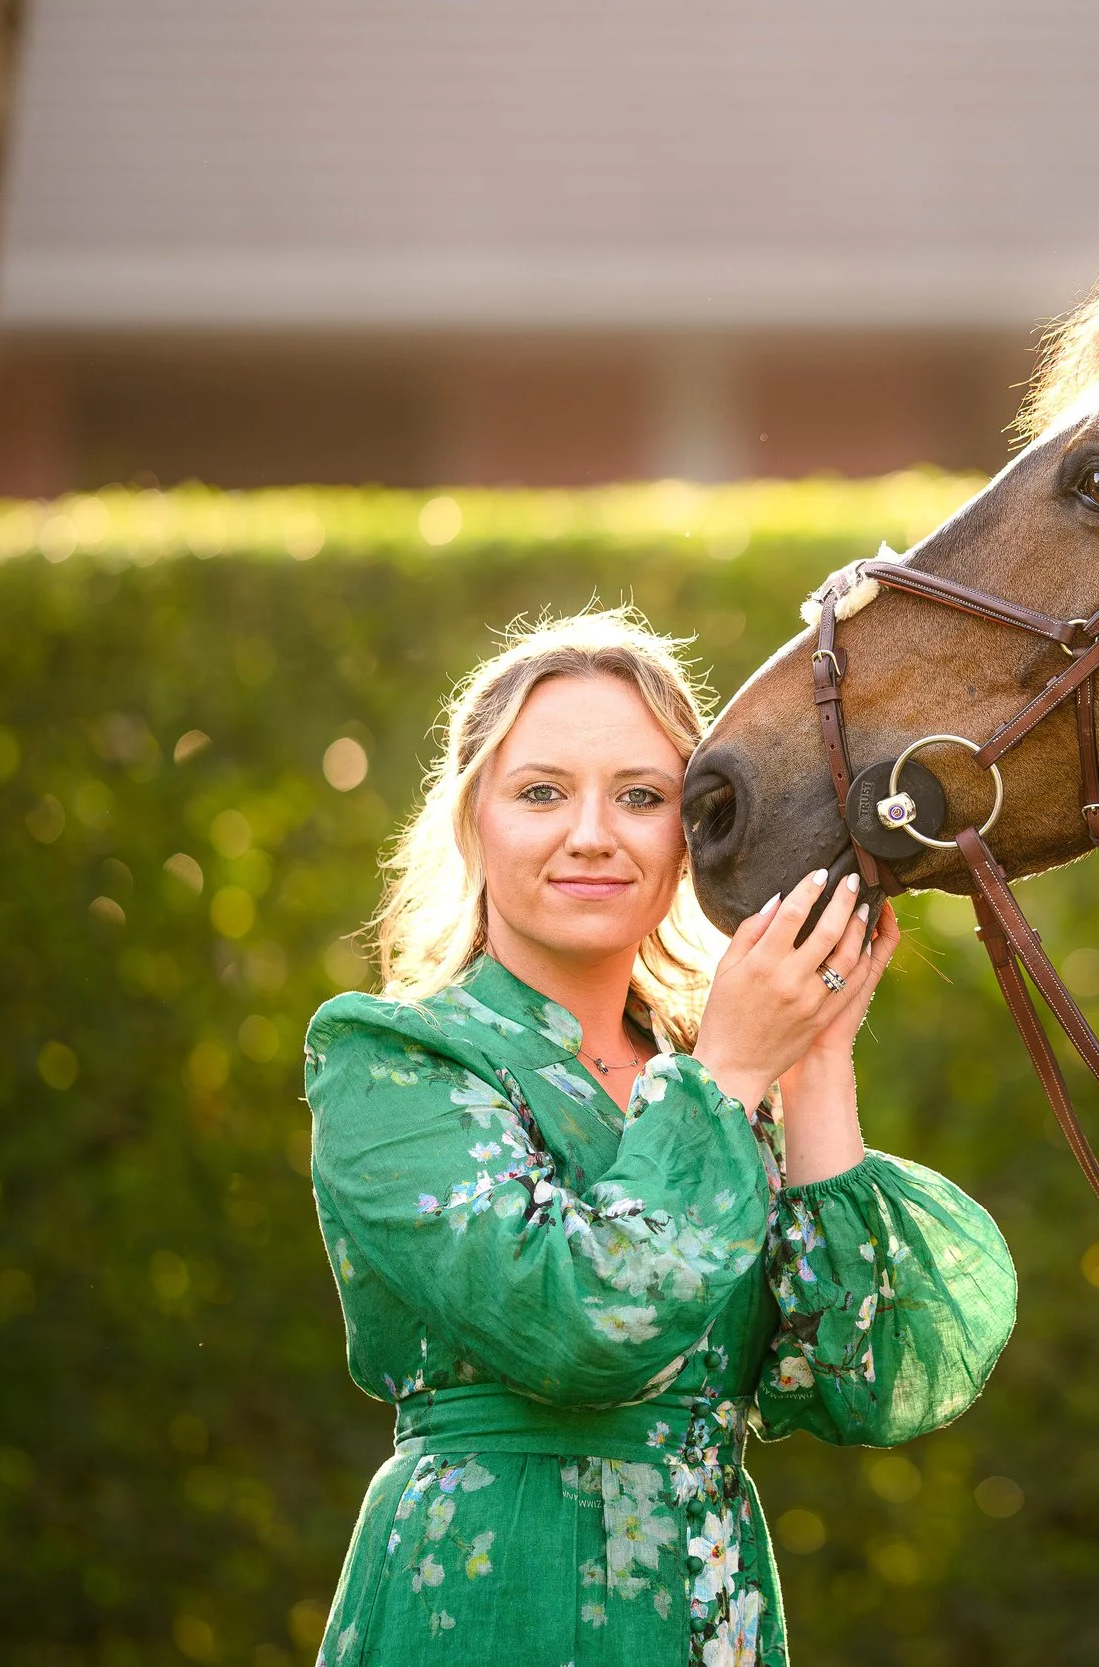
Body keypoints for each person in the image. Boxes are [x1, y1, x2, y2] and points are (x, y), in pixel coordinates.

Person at [302, 609, 1016, 1666]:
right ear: (472, 823)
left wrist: (813, 1062)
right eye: (542, 791)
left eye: (640, 796)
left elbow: (856, 1374)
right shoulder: (393, 1057)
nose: (593, 832)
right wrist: (733, 1070)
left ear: (691, 833)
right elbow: (579, 1321)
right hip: (488, 1599)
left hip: (704, 1604)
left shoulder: (710, 1072)